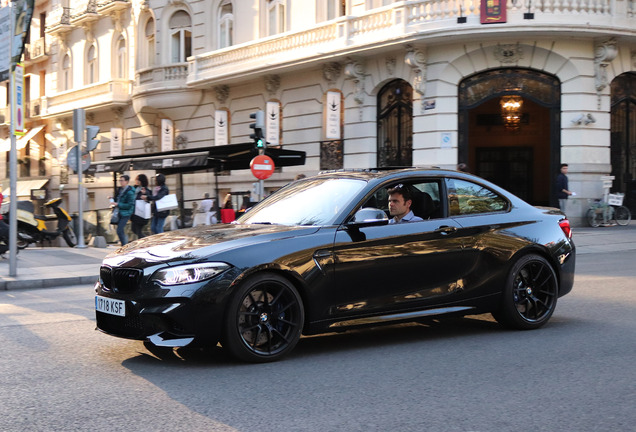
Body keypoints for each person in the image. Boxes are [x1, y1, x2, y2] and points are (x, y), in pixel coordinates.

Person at [111, 174, 136, 245]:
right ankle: (124, 245)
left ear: (127, 181)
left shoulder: (130, 192)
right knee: (119, 230)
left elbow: (130, 205)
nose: (120, 182)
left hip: (126, 213)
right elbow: (118, 199)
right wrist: (112, 198)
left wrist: (118, 204)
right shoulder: (120, 189)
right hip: (119, 212)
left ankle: (124, 246)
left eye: (122, 180)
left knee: (119, 230)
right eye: (120, 180)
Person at [130, 174, 150, 239]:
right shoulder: (134, 188)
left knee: (138, 231)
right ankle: (145, 240)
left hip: (141, 213)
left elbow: (148, 198)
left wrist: (144, 194)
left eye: (138, 180)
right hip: (134, 212)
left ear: (142, 181)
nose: (136, 181)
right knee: (133, 229)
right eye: (136, 179)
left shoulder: (146, 190)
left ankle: (146, 241)